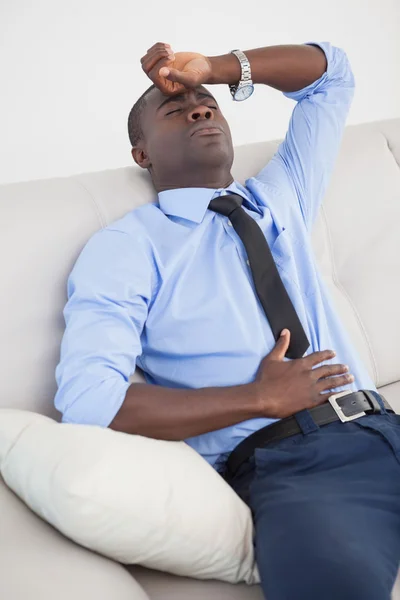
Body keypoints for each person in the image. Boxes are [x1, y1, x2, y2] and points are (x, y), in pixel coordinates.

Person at [54, 41, 400, 600]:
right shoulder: (127, 247)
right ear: (141, 154)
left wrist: (215, 68)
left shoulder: (279, 198)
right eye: (176, 109)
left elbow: (332, 77)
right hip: (297, 464)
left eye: (209, 104)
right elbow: (89, 403)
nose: (200, 108)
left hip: (386, 423)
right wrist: (258, 398)